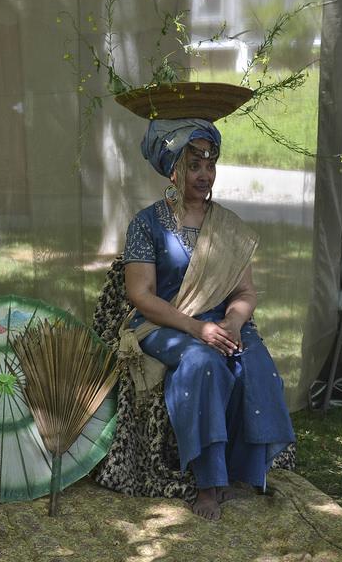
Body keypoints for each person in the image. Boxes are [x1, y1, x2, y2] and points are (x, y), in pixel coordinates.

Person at [120, 117, 295, 520]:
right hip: (165, 323)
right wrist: (198, 328)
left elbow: (245, 293)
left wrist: (233, 324)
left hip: (221, 321)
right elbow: (140, 295)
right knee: (203, 363)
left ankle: (241, 472)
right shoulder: (147, 224)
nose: (204, 174)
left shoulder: (227, 226)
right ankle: (206, 483)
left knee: (255, 362)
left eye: (210, 164)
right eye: (195, 164)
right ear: (174, 169)